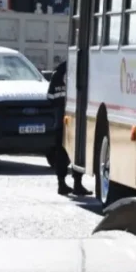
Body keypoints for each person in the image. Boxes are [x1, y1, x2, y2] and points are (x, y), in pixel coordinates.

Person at [47, 60, 92, 197]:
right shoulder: (84, 67)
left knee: (61, 152)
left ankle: (61, 184)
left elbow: (50, 97)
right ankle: (77, 184)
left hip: (60, 119)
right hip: (78, 118)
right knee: (78, 150)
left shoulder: (59, 71)